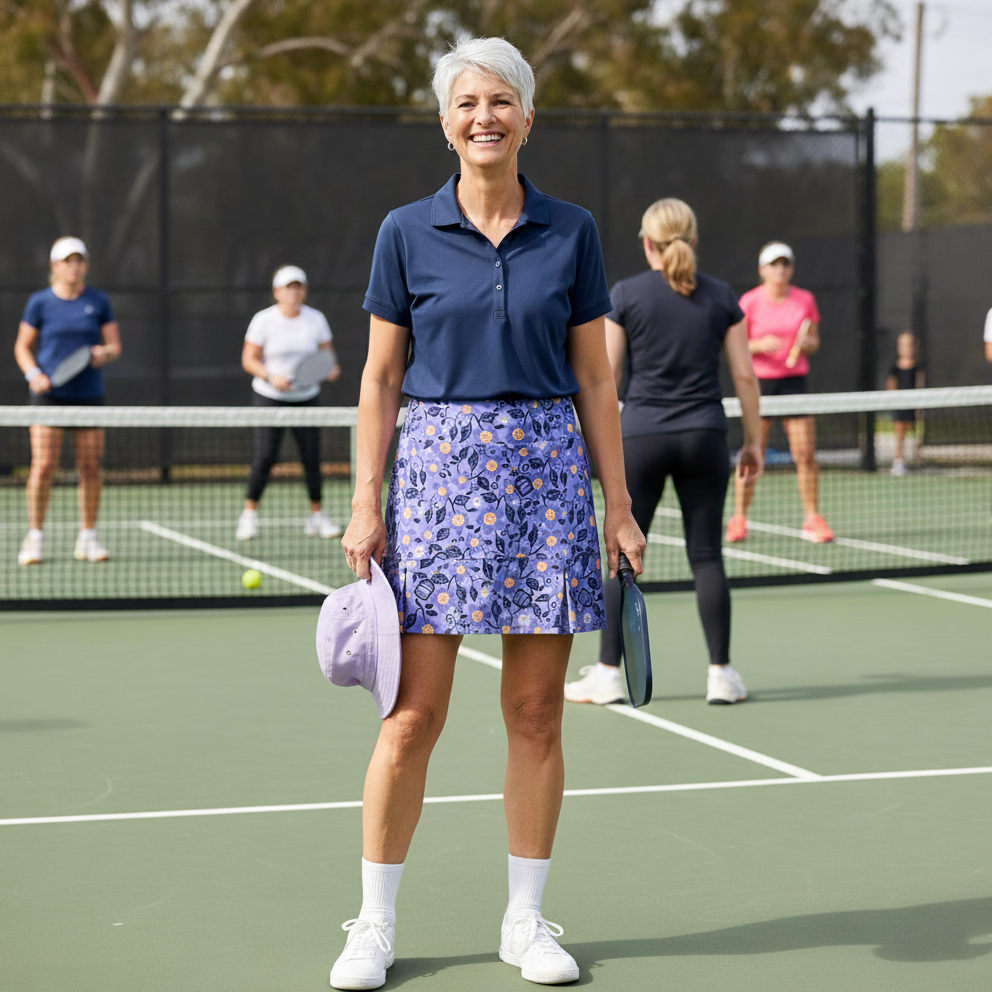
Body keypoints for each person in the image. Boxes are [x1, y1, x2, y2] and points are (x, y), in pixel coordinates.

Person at [333, 37, 645, 991]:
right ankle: (373, 924)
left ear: (528, 117)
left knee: (537, 711)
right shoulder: (404, 232)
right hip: (434, 483)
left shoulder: (575, 230)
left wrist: (619, 505)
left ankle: (525, 919)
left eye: (501, 101)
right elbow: (381, 378)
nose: (484, 117)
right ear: (444, 121)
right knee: (412, 715)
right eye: (467, 102)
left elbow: (595, 374)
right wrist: (365, 501)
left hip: (549, 479)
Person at [563, 199, 763, 708]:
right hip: (705, 438)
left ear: (647, 243)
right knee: (707, 556)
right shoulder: (722, 296)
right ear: (691, 240)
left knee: (621, 557)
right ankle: (721, 674)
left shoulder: (626, 294)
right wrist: (756, 439)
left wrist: (588, 445)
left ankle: (608, 672)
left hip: (642, 438)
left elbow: (603, 376)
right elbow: (744, 374)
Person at [12, 236, 122, 566]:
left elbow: (115, 346)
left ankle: (88, 537)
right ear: (54, 266)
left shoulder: (98, 301)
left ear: (85, 265)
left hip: (88, 396)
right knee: (43, 467)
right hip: (48, 397)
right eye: (67, 261)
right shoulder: (40, 303)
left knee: (90, 467)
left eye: (79, 260)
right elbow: (22, 347)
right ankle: (35, 538)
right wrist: (34, 374)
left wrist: (104, 353)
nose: (74, 267)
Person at [725, 241, 833, 544]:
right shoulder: (748, 302)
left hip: (794, 382)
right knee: (751, 452)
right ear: (762, 270)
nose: (780, 270)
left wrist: (809, 344)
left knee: (805, 452)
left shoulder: (804, 300)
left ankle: (812, 518)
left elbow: (813, 339)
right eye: (774, 264)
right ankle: (738, 519)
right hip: (760, 384)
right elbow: (734, 344)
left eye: (785, 264)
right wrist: (758, 345)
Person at [236, 265, 343, 541]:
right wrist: (271, 376)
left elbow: (327, 357)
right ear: (277, 292)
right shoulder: (263, 320)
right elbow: (249, 359)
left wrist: (329, 370)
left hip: (306, 398)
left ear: (304, 290)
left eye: (298, 286)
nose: (293, 292)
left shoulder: (316, 319)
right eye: (288, 287)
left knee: (311, 458)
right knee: (265, 456)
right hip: (269, 397)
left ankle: (317, 517)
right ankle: (249, 516)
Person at [886, 330, 924, 476]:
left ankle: (918, 460)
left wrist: (919, 405)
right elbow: (891, 386)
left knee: (918, 432)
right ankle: (898, 460)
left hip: (914, 406)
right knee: (900, 430)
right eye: (902, 345)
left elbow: (920, 385)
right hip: (900, 406)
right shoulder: (894, 368)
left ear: (915, 347)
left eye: (909, 345)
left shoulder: (918, 368)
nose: (906, 348)